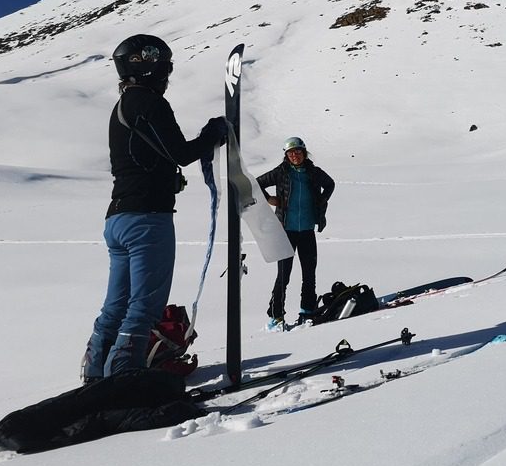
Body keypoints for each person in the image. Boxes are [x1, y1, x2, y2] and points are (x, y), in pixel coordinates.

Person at [82, 35, 227, 382]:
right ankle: (125, 377)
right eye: (164, 66)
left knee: (115, 306)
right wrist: (212, 134)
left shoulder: (123, 105)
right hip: (147, 220)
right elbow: (179, 152)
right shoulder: (149, 103)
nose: (167, 74)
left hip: (119, 217)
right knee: (143, 308)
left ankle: (95, 375)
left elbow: (151, 157)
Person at [257, 136, 335, 328]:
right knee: (284, 275)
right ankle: (276, 315)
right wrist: (270, 199)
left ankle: (307, 310)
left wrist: (322, 200)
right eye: (290, 153)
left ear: (304, 152)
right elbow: (257, 183)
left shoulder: (313, 172)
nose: (294, 156)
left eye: (298, 152)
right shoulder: (281, 172)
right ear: (286, 155)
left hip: (307, 230)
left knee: (309, 273)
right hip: (286, 231)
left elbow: (330, 184)